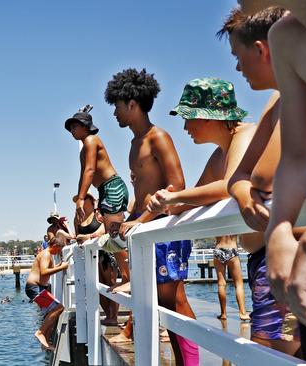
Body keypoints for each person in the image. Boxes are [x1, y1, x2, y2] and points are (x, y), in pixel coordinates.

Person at [219, 7, 306, 357]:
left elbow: (269, 171)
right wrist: (270, 218)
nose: (237, 67)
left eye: (238, 56)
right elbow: (251, 173)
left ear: (260, 50)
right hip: (298, 256)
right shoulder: (287, 46)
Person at [106, 68, 199, 366]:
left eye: (117, 106)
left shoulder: (158, 137)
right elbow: (145, 190)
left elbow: (177, 185)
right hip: (149, 230)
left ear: (132, 104)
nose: (115, 113)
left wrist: (141, 219)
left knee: (176, 301)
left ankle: (192, 362)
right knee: (161, 303)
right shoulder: (134, 143)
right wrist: (129, 219)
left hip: (166, 229)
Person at [146, 78, 253, 322]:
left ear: (208, 116)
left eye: (188, 117)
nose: (185, 127)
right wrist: (169, 205)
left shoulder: (246, 136)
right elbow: (199, 194)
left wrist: (175, 197)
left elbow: (229, 185)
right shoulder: (219, 155)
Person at [65, 105, 131, 291]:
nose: (72, 131)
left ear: (85, 126)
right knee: (113, 234)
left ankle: (129, 277)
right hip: (103, 189)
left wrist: (81, 199)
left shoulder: (92, 140)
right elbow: (83, 175)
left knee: (116, 233)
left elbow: (90, 170)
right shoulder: (83, 149)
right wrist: (79, 198)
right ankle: (127, 276)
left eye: (74, 126)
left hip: (112, 186)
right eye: (70, 128)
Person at [72, 193, 120, 326]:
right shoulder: (77, 218)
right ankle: (108, 314)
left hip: (106, 253)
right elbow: (77, 236)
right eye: (77, 201)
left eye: (81, 200)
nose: (78, 203)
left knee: (111, 283)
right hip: (91, 256)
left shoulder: (98, 214)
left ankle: (114, 316)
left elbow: (105, 228)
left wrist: (88, 236)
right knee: (97, 286)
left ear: (90, 200)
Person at [25, 236, 69, 351]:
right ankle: (40, 333)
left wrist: (58, 266)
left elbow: (46, 270)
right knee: (59, 308)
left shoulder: (48, 255)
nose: (60, 251)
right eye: (60, 249)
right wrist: (62, 267)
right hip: (35, 288)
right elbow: (44, 272)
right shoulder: (46, 254)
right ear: (55, 246)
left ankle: (45, 342)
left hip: (37, 287)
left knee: (51, 313)